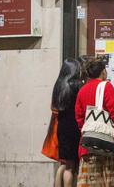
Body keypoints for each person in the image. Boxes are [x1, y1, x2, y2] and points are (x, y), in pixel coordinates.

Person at [75, 57, 114, 187]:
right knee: (107, 179)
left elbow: (79, 117)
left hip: (88, 144)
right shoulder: (106, 86)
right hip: (106, 143)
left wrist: (89, 130)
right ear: (103, 71)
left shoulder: (82, 90)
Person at [51, 58, 84, 187]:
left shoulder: (58, 85)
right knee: (72, 166)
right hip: (75, 127)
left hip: (62, 127)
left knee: (66, 164)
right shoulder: (77, 85)